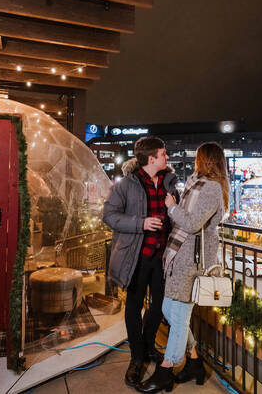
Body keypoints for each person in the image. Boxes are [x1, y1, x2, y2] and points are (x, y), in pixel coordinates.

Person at [137, 142, 227, 393]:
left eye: (198, 157)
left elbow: (193, 222)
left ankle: (166, 370)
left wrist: (171, 207)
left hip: (193, 261)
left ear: (205, 160)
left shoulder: (211, 188)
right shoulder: (195, 184)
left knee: (177, 315)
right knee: (170, 309)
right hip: (180, 255)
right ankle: (195, 361)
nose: (195, 161)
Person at [103, 136, 179, 387]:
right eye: (163, 154)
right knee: (134, 308)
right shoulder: (126, 185)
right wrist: (141, 223)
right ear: (151, 159)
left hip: (162, 259)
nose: (167, 157)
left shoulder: (169, 184)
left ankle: (147, 348)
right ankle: (137, 358)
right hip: (136, 258)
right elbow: (109, 216)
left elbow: (176, 218)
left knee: (159, 307)